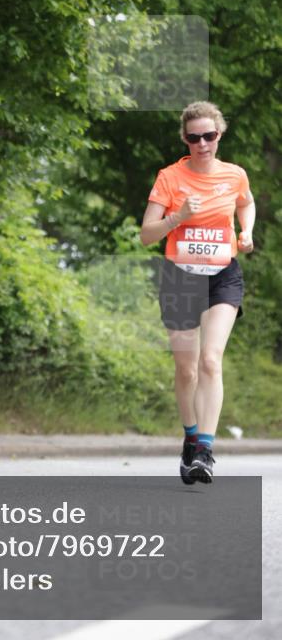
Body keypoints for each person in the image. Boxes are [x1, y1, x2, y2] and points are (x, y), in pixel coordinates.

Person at [140, 101, 255, 484]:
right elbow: (147, 235)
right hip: (180, 277)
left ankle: (205, 449)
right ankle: (190, 436)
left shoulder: (234, 175)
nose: (202, 144)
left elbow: (247, 202)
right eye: (194, 137)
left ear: (219, 135)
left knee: (210, 360)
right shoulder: (169, 178)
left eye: (209, 136)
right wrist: (178, 217)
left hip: (223, 274)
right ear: (185, 140)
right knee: (186, 368)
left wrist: (246, 231)